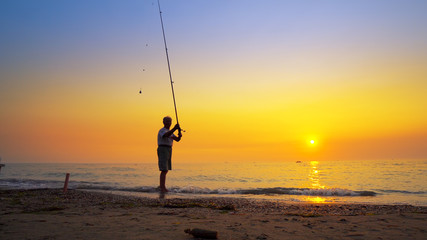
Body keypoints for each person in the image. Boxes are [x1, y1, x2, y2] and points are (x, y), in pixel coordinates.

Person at [157, 116, 182, 192]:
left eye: (169, 121)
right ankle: (162, 187)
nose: (168, 123)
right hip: (163, 149)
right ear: (163, 122)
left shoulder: (170, 131)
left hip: (169, 149)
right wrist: (174, 128)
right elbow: (166, 135)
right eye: (167, 121)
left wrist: (179, 134)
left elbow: (177, 139)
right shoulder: (162, 130)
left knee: (166, 169)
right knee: (164, 169)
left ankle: (162, 186)